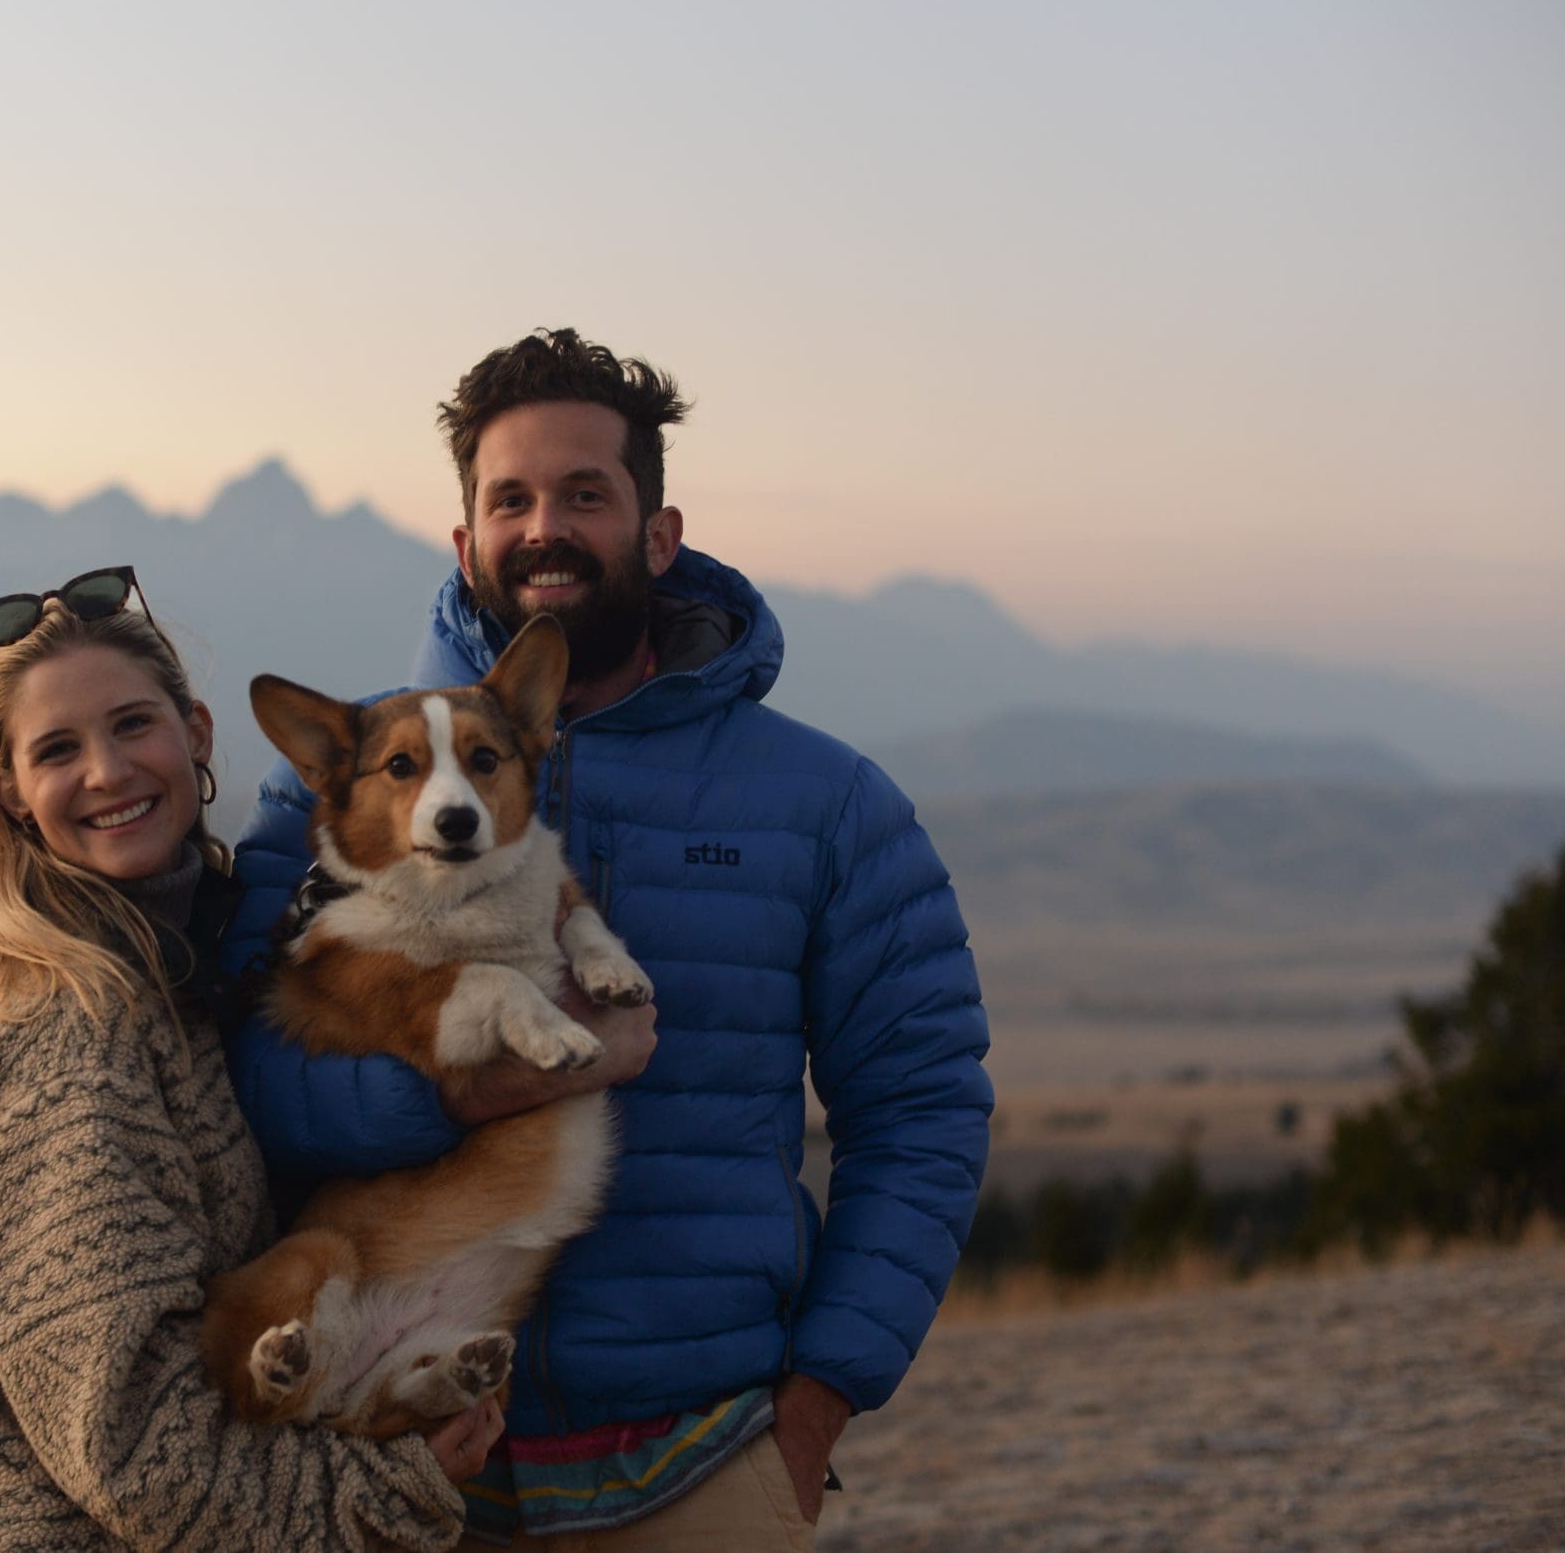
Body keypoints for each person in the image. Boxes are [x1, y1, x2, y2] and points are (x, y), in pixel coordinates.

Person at [227, 332, 993, 1549]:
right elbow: (247, 1082)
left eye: (586, 493)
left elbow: (923, 1111)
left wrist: (814, 1411)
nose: (545, 527)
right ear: (464, 536)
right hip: (387, 1461)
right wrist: (465, 1093)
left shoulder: (825, 803)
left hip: (704, 1449)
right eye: (511, 498)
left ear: (658, 531)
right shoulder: (329, 803)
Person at [0, 569, 499, 1553]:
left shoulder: (185, 965)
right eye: (57, 749)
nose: (108, 770)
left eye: (132, 725)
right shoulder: (77, 1040)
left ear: (196, 732)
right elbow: (141, 1459)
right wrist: (389, 1486)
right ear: (11, 794)